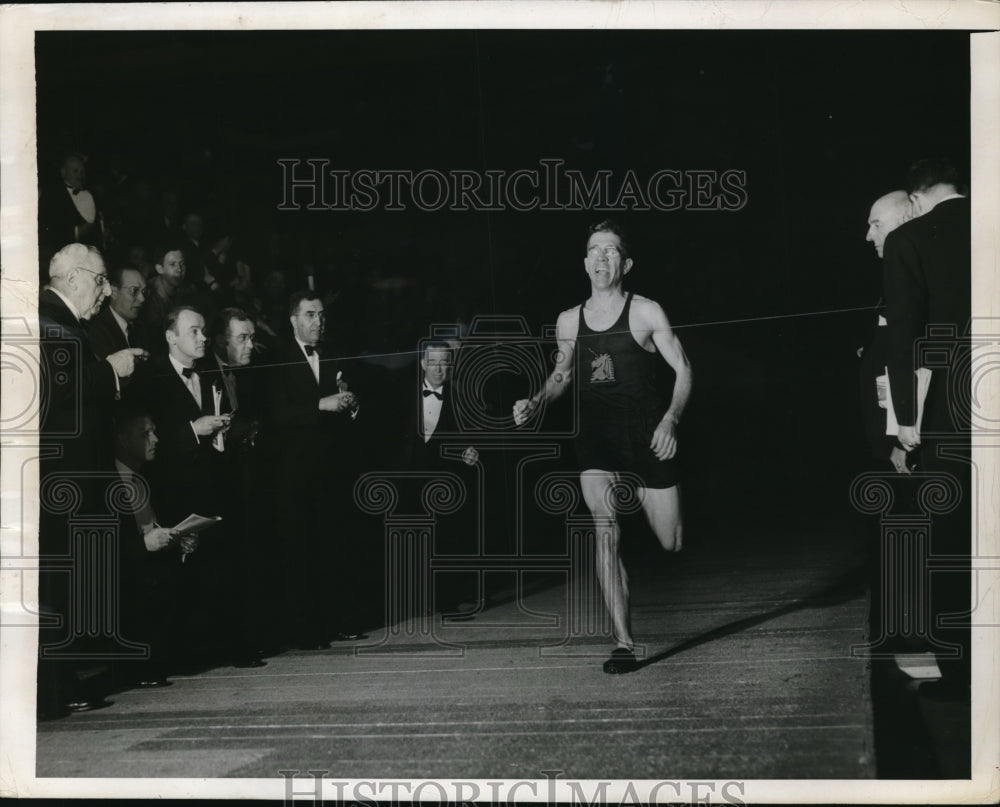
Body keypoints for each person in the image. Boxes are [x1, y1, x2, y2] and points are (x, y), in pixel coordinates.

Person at [513, 220, 692, 673]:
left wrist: (671, 420)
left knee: (671, 542)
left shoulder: (647, 311)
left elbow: (684, 369)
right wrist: (536, 400)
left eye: (611, 251)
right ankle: (624, 644)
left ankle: (638, 491)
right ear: (585, 262)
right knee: (604, 529)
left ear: (625, 263)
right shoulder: (568, 320)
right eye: (594, 250)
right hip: (597, 439)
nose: (601, 257)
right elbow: (563, 375)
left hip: (647, 435)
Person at [37, 243, 147, 718]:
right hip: (61, 476)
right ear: (75, 277)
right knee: (55, 584)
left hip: (68, 475)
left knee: (63, 582)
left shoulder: (63, 320)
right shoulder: (50, 318)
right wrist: (112, 368)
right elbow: (59, 386)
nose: (106, 291)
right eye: (102, 280)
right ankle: (54, 691)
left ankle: (61, 687)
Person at [881, 158, 971, 701]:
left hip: (954, 410)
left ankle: (962, 680)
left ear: (916, 197)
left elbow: (905, 336)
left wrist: (906, 422)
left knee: (956, 541)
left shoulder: (910, 238)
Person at [267, 291, 365, 649]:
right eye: (310, 315)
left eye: (321, 315)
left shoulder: (333, 352)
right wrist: (319, 404)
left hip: (329, 471)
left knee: (332, 548)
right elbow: (275, 415)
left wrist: (350, 405)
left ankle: (334, 622)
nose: (318, 322)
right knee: (299, 552)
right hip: (293, 475)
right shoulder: (277, 356)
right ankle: (305, 630)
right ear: (293, 320)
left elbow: (347, 405)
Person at [112, 408, 198, 688]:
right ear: (124, 440)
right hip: (126, 572)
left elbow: (153, 525)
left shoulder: (147, 477)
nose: (156, 439)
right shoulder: (107, 482)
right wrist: (143, 544)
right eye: (145, 434)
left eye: (154, 431)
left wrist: (178, 539)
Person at [395, 342, 479, 615]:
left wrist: (470, 450)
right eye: (434, 362)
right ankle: (408, 601)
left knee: (445, 539)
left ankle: (446, 600)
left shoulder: (460, 398)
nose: (440, 368)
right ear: (422, 364)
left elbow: (470, 437)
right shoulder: (400, 395)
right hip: (406, 479)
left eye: (445, 362)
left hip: (443, 480)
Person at [859, 190, 915, 471]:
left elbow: (910, 362)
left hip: (904, 443)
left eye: (877, 224)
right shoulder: (893, 275)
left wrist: (899, 439)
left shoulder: (918, 281)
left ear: (906, 220)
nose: (869, 236)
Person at [87, 265, 150, 359]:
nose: (142, 299)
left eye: (144, 291)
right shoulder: (96, 332)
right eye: (134, 291)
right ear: (114, 292)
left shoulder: (143, 327)